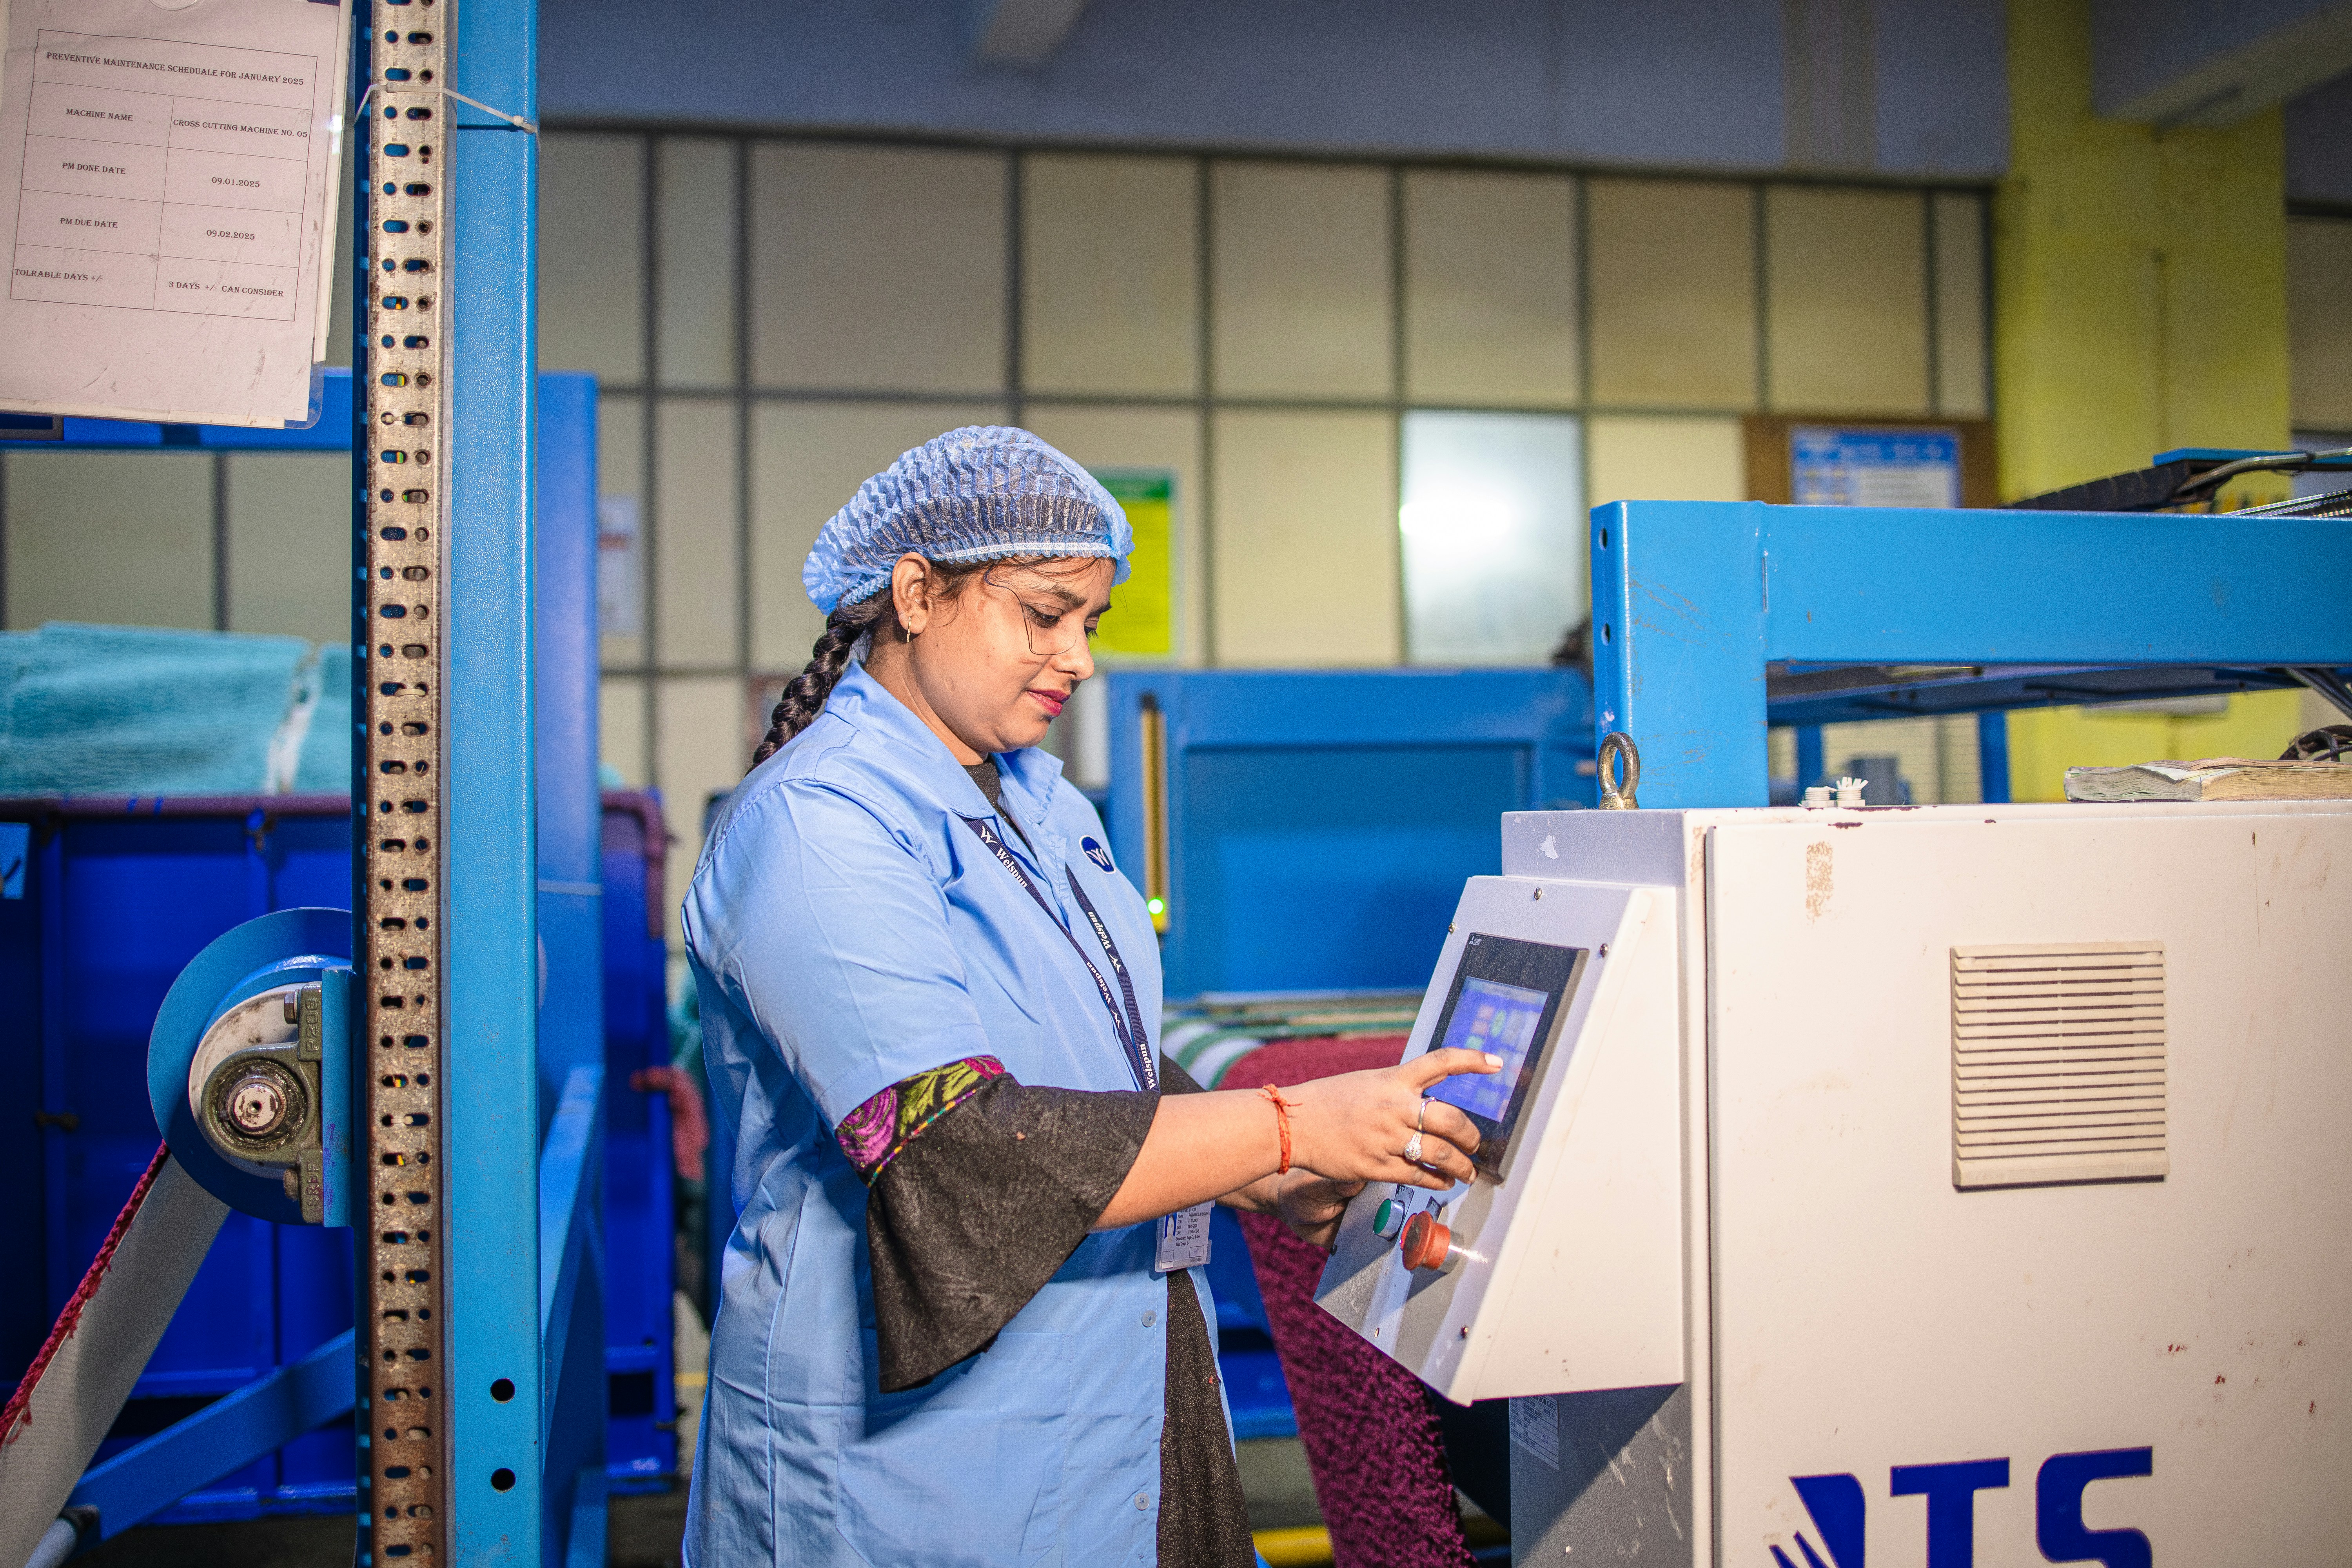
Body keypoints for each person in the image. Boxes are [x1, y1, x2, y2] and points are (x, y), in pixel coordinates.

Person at [682, 426, 1496, 1566]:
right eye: (1045, 614)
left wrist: (1274, 1178)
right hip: (921, 1458)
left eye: (1091, 625)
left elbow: (1091, 1064)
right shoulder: (820, 827)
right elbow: (950, 1143)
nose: (1081, 660)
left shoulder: (1042, 804)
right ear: (916, 593)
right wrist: (1293, 1119)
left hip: (1116, 1387)